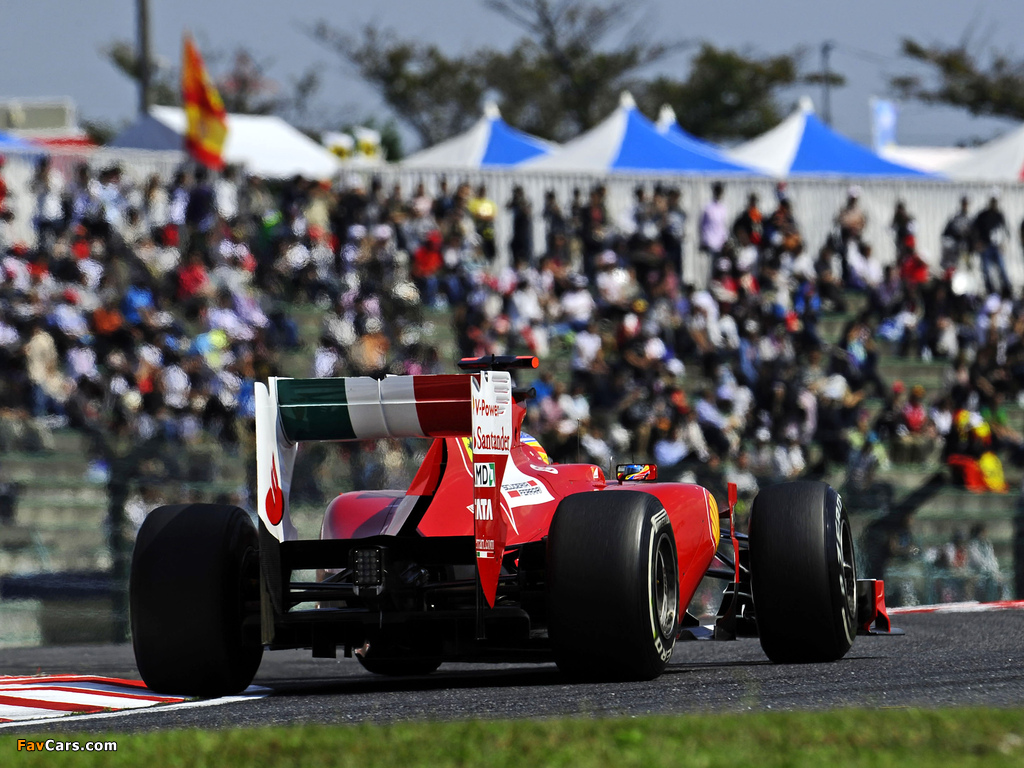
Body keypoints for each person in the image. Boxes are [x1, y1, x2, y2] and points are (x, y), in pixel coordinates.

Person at [972, 193, 1012, 295]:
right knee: (986, 270)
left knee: (1002, 269)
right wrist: (977, 243)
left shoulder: (1000, 215)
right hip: (985, 247)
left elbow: (1006, 231)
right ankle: (990, 292)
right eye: (992, 201)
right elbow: (974, 230)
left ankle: (1007, 292)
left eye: (995, 201)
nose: (994, 203)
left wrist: (1004, 243)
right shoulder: (982, 215)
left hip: (996, 247)